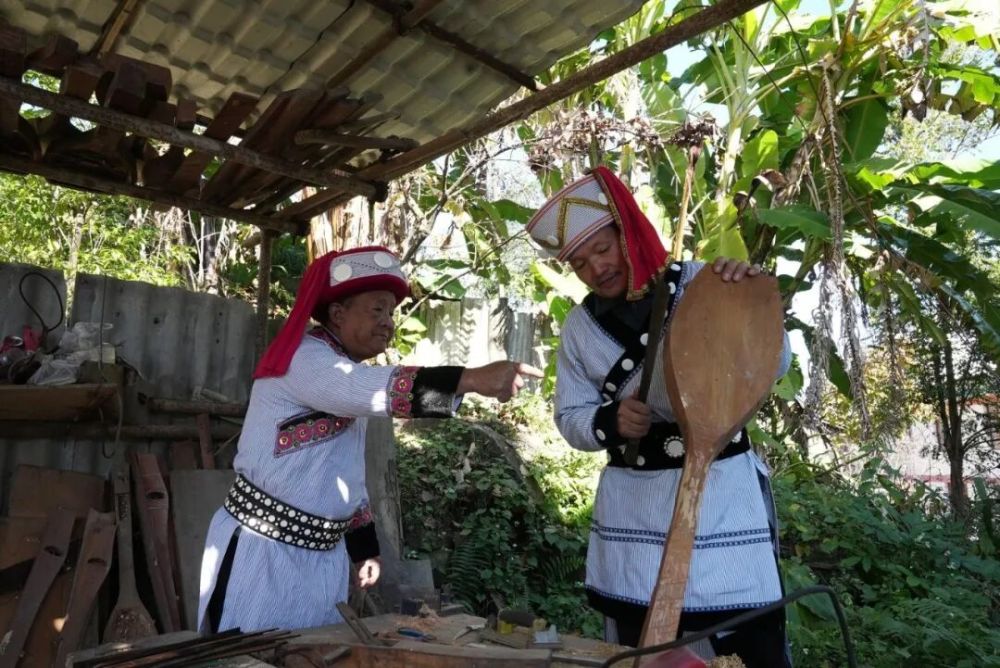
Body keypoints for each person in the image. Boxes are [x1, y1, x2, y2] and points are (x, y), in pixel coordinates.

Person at [197, 246, 541, 633]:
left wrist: (364, 550)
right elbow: (369, 388)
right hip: (263, 555)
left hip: (321, 563)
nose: (387, 323)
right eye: (377, 310)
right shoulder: (305, 360)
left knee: (311, 653)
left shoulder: (343, 373)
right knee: (247, 653)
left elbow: (347, 475)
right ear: (337, 314)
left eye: (390, 313)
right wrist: (473, 378)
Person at [526, 167, 792, 667]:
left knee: (749, 640)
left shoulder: (705, 281)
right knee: (644, 648)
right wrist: (609, 422)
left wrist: (746, 299)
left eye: (602, 249)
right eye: (580, 263)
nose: (596, 268)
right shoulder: (580, 328)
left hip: (721, 495)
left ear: (627, 234)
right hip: (635, 509)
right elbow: (570, 416)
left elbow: (773, 363)